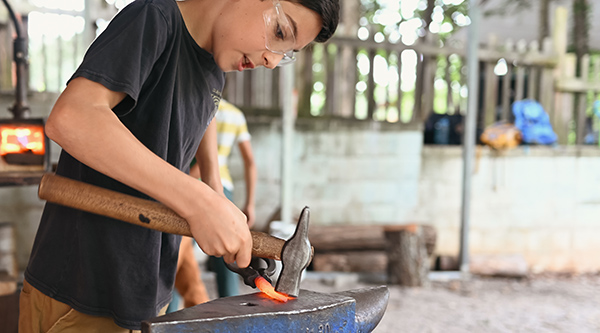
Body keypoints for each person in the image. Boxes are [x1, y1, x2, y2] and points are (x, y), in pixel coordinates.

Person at [18, 0, 339, 331]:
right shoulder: (155, 19)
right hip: (79, 287)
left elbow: (203, 113)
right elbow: (72, 118)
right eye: (279, 31)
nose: (272, 61)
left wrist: (215, 190)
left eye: (287, 53)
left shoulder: (214, 68)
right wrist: (199, 200)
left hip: (147, 287)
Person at [168, 100, 257, 311]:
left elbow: (202, 159)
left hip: (191, 187)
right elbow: (250, 162)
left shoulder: (192, 103)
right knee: (228, 261)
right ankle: (231, 313)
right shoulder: (236, 115)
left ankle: (165, 314)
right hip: (221, 187)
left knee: (174, 253)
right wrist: (250, 203)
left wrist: (177, 182)